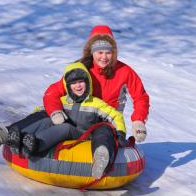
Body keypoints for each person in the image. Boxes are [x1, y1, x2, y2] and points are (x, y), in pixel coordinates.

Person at [0, 62, 126, 179]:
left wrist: (120, 133)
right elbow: (41, 110)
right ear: (67, 85)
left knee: (74, 128)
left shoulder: (96, 103)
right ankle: (4, 137)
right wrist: (35, 118)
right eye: (73, 83)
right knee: (45, 116)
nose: (78, 86)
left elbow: (115, 116)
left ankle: (100, 156)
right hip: (63, 131)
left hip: (84, 135)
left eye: (81, 82)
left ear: (88, 83)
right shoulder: (63, 101)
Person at [43, 25, 150, 171]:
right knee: (47, 122)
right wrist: (55, 111)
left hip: (108, 121)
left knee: (104, 133)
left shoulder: (124, 72)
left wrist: (138, 121)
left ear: (114, 53)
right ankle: (27, 142)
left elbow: (141, 97)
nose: (104, 57)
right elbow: (53, 92)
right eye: (100, 52)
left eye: (108, 52)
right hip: (80, 118)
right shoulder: (81, 69)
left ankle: (101, 158)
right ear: (91, 52)